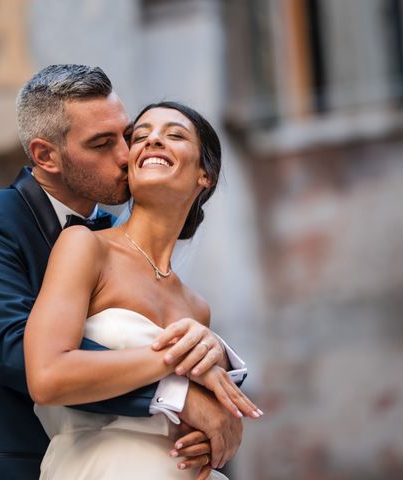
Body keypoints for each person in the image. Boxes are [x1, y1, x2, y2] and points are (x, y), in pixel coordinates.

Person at [0, 65, 249, 480]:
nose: (125, 155)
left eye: (125, 135)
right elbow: (16, 352)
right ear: (45, 156)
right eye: (102, 144)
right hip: (18, 467)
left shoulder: (113, 239)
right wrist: (177, 392)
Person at [24, 101, 262, 479]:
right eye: (141, 135)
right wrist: (172, 360)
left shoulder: (197, 308)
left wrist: (203, 441)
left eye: (174, 135)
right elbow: (47, 376)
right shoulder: (85, 246)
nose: (152, 140)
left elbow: (185, 421)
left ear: (205, 175)